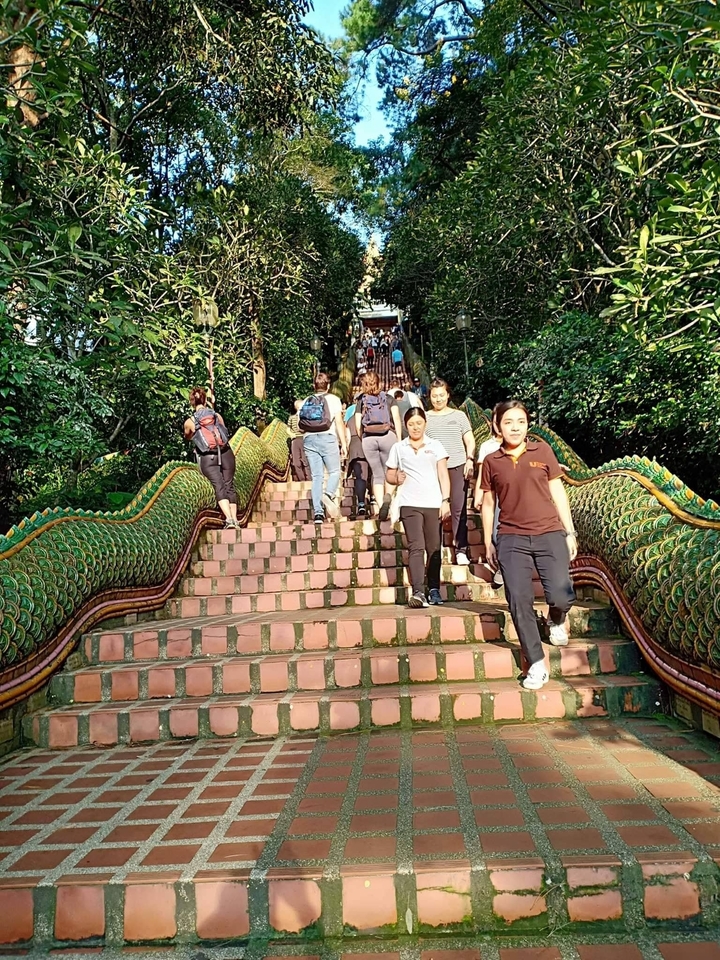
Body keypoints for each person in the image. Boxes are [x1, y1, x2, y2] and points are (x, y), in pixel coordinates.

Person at [479, 400, 577, 691]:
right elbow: (487, 503)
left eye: (520, 421)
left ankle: (555, 619)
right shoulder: (491, 461)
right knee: (519, 601)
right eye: (508, 422)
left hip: (549, 532)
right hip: (511, 538)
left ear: (528, 425)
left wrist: (569, 531)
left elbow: (557, 489)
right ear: (498, 425)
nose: (515, 427)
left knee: (561, 594)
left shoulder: (542, 451)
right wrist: (488, 540)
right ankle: (535, 662)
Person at [386, 407, 451, 607]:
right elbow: (389, 475)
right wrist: (396, 477)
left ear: (425, 423)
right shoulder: (399, 447)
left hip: (433, 503)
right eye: (411, 424)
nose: (415, 427)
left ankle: (433, 589)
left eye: (419, 423)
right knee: (416, 547)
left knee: (433, 548)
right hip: (409, 503)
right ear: (406, 426)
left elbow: (443, 474)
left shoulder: (436, 445)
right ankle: (418, 592)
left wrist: (445, 500)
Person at [424, 379, 475, 565]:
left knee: (458, 509)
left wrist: (470, 459)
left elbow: (469, 439)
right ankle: (435, 548)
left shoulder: (459, 416)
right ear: (429, 397)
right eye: (434, 395)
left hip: (457, 465)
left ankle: (461, 549)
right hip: (433, 469)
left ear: (447, 395)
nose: (438, 399)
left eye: (441, 395)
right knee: (434, 509)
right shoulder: (425, 417)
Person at [184, 387, 238, 528]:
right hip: (226, 454)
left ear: (192, 402)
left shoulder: (190, 421)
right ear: (204, 399)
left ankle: (229, 519)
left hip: (208, 458)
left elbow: (188, 436)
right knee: (229, 486)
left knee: (218, 486)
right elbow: (224, 432)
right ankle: (235, 519)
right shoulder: (216, 416)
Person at [299, 373, 347, 524]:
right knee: (334, 472)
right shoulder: (333, 399)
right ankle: (328, 494)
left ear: (314, 386)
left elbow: (301, 425)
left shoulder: (307, 400)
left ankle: (318, 513)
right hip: (327, 437)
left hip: (309, 439)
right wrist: (344, 444)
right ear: (328, 385)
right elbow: (339, 423)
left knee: (317, 477)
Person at [355, 371, 402, 520]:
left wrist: (363, 437)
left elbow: (357, 424)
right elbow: (396, 419)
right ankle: (389, 497)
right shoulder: (388, 398)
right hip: (388, 436)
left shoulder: (361, 401)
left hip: (369, 438)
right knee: (390, 470)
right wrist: (399, 439)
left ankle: (382, 506)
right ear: (379, 383)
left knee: (377, 474)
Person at [474, 404, 504, 588]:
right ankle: (500, 566)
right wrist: (478, 494)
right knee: (496, 530)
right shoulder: (487, 446)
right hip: (493, 494)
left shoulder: (527, 445)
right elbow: (481, 474)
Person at [344, 397, 370, 518]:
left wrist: (346, 451)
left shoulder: (350, 420)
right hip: (369, 443)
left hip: (355, 447)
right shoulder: (370, 416)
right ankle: (374, 498)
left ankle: (361, 504)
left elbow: (347, 438)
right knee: (373, 474)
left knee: (360, 477)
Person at [288, 399, 311, 482]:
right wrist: (291, 434)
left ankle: (309, 479)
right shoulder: (292, 418)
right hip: (295, 440)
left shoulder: (306, 417)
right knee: (296, 462)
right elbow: (288, 428)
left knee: (305, 460)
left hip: (304, 439)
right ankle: (302, 479)